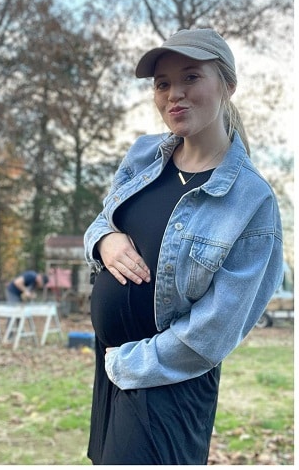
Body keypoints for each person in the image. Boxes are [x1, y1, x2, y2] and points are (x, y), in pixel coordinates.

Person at [83, 29, 283, 464]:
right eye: (162, 83)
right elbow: (104, 218)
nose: (175, 94)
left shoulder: (251, 201)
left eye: (191, 77)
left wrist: (128, 364)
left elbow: (214, 332)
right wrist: (104, 240)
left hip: (166, 381)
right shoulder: (142, 156)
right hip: (113, 365)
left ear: (228, 85)